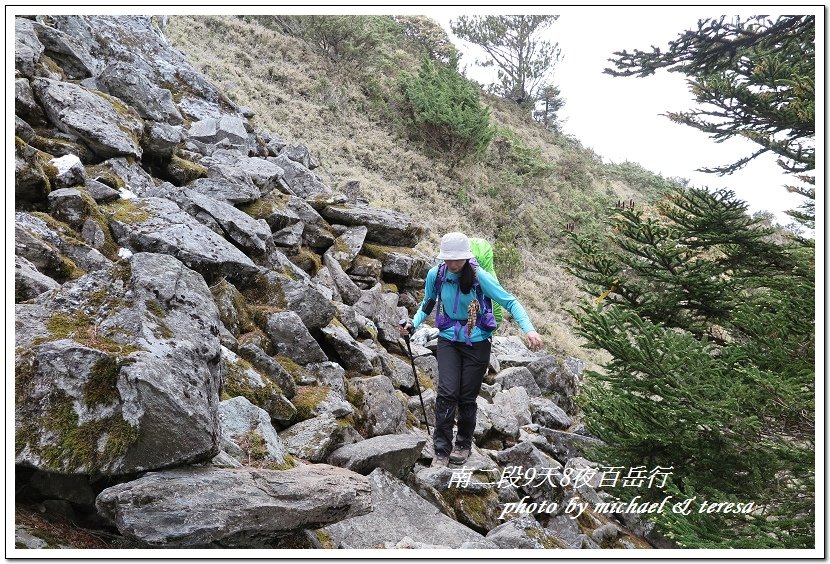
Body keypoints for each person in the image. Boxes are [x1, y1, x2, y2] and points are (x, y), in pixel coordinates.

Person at [399, 232, 543, 467]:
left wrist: (529, 330)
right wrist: (412, 324)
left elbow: (510, 301)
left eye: (457, 259)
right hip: (448, 340)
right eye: (448, 259)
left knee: (467, 397)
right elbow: (428, 303)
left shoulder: (480, 277)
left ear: (466, 257)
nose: (453, 264)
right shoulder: (437, 274)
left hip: (478, 341)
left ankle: (463, 444)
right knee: (446, 393)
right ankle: (441, 450)